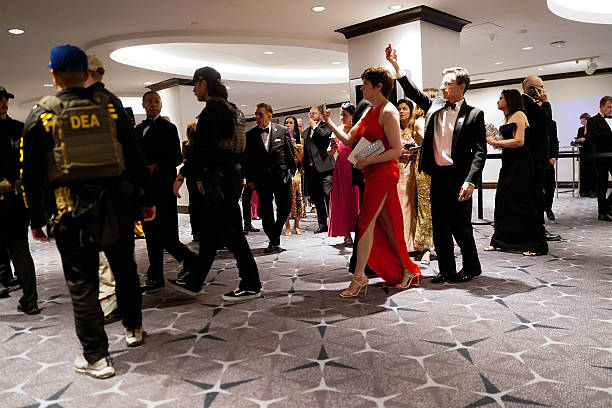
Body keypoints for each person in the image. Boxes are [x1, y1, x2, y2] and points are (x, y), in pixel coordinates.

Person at [21, 45, 156, 378]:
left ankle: (96, 357)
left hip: (70, 212)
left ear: (54, 75)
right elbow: (135, 157)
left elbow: (31, 176)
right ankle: (134, 328)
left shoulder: (42, 114)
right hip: (117, 207)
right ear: (85, 74)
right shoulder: (109, 106)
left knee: (82, 282)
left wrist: (36, 219)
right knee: (125, 269)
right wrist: (147, 198)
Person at [387, 46, 486, 283]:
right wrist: (396, 65)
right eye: (442, 83)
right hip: (437, 175)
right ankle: (446, 269)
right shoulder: (434, 105)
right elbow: (412, 90)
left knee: (461, 226)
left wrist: (471, 181)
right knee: (440, 226)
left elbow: (480, 152)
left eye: (447, 83)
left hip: (460, 177)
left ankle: (472, 267)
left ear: (461, 86)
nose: (442, 87)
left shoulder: (474, 114)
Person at [322, 66, 422, 297]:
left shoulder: (388, 111)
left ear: (379, 86)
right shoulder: (369, 110)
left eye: (366, 84)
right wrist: (329, 122)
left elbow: (396, 150)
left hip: (383, 175)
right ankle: (407, 269)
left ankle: (359, 277)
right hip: (372, 174)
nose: (362, 88)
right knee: (389, 225)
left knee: (365, 224)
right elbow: (349, 139)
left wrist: (368, 161)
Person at [169, 66, 262, 301]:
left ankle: (251, 283)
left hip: (219, 181)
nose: (193, 90)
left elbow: (203, 150)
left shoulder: (212, 111)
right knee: (210, 234)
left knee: (232, 234)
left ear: (204, 84)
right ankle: (195, 281)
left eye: (195, 85)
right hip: (230, 178)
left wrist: (181, 175)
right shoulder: (232, 110)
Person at [135, 91, 198, 292]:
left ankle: (188, 258)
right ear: (143, 105)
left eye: (157, 102)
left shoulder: (169, 128)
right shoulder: (138, 130)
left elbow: (177, 158)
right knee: (150, 231)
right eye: (150, 102)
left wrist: (156, 165)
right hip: (145, 189)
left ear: (161, 105)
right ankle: (156, 276)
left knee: (162, 230)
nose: (154, 105)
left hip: (164, 186)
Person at [485, 89, 548, 255]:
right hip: (509, 163)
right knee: (503, 202)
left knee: (522, 203)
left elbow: (519, 142)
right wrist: (496, 141)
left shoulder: (520, 114)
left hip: (521, 165)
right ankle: (500, 240)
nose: (498, 101)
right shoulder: (510, 117)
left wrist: (494, 142)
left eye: (501, 98)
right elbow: (509, 141)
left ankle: (535, 244)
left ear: (510, 100)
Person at [0, 85, 39, 312]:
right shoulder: (19, 129)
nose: (3, 103)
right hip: (13, 199)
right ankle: (29, 300)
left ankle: (30, 300)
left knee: (20, 249)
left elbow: (32, 164)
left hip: (15, 200)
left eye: (5, 99)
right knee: (19, 249)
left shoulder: (20, 129)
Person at [244, 103, 296, 253]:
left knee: (285, 207)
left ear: (269, 116)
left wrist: (292, 172)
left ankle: (275, 232)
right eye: (256, 114)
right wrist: (249, 179)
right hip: (262, 179)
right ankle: (274, 240)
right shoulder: (250, 135)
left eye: (260, 114)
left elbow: (290, 153)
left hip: (282, 177)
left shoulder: (282, 130)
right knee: (266, 211)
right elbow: (248, 160)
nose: (257, 117)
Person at [521, 76, 560, 241]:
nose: (543, 90)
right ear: (530, 88)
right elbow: (545, 121)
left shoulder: (526, 103)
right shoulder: (526, 103)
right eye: (540, 87)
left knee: (538, 194)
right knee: (536, 196)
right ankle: (538, 230)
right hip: (534, 158)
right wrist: (546, 102)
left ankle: (536, 228)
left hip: (537, 157)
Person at [408, 89, 437, 265]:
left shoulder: (437, 121)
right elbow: (432, 142)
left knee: (438, 206)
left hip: (440, 165)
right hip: (425, 166)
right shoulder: (420, 122)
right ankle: (426, 248)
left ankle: (439, 242)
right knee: (426, 206)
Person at [327, 102, 359, 245]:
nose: (341, 118)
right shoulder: (338, 130)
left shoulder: (358, 129)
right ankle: (346, 233)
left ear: (352, 116)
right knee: (343, 200)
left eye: (345, 115)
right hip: (341, 168)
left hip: (355, 165)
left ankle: (359, 230)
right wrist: (332, 147)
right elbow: (329, 151)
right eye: (341, 115)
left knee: (356, 199)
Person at [303, 106, 335, 233]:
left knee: (328, 194)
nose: (311, 115)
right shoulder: (305, 132)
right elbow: (305, 151)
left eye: (314, 113)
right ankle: (322, 225)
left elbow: (324, 135)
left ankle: (333, 222)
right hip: (311, 170)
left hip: (326, 168)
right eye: (310, 113)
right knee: (317, 198)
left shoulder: (326, 126)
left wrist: (315, 127)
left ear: (320, 115)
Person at [396, 98, 417, 251]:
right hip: (398, 168)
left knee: (410, 204)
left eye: (404, 108)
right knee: (399, 204)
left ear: (411, 111)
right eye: (399, 109)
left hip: (412, 168)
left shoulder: (415, 128)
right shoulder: (394, 128)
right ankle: (401, 242)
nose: (401, 111)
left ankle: (412, 242)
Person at [586, 96, 612, 221]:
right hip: (600, 157)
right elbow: (592, 137)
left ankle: (607, 206)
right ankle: (602, 213)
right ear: (601, 107)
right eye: (609, 107)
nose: (611, 109)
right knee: (602, 186)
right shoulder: (593, 120)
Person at [283, 115, 306, 235]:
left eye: (291, 122)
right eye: (286, 122)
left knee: (298, 197)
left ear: (295, 125)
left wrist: (298, 149)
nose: (288, 124)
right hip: (285, 171)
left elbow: (300, 159)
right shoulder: (282, 138)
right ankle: (287, 225)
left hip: (296, 171)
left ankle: (297, 225)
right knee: (286, 198)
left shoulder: (300, 139)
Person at [182, 122, 203, 241]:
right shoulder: (185, 144)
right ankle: (196, 231)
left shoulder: (200, 144)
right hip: (191, 177)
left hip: (199, 176)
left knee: (200, 204)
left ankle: (201, 230)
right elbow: (183, 159)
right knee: (195, 204)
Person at [574, 113, 597, 197]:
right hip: (583, 153)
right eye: (581, 121)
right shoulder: (580, 129)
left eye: (584, 121)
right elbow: (578, 138)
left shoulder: (593, 129)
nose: (582, 123)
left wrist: (585, 139)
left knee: (592, 172)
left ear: (588, 121)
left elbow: (594, 140)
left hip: (591, 153)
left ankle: (592, 191)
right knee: (583, 172)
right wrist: (578, 140)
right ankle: (583, 191)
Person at [544, 120, 559, 220]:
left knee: (550, 186)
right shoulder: (530, 121)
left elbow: (554, 141)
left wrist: (554, 156)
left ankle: (548, 208)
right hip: (534, 160)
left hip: (549, 159)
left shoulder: (552, 123)